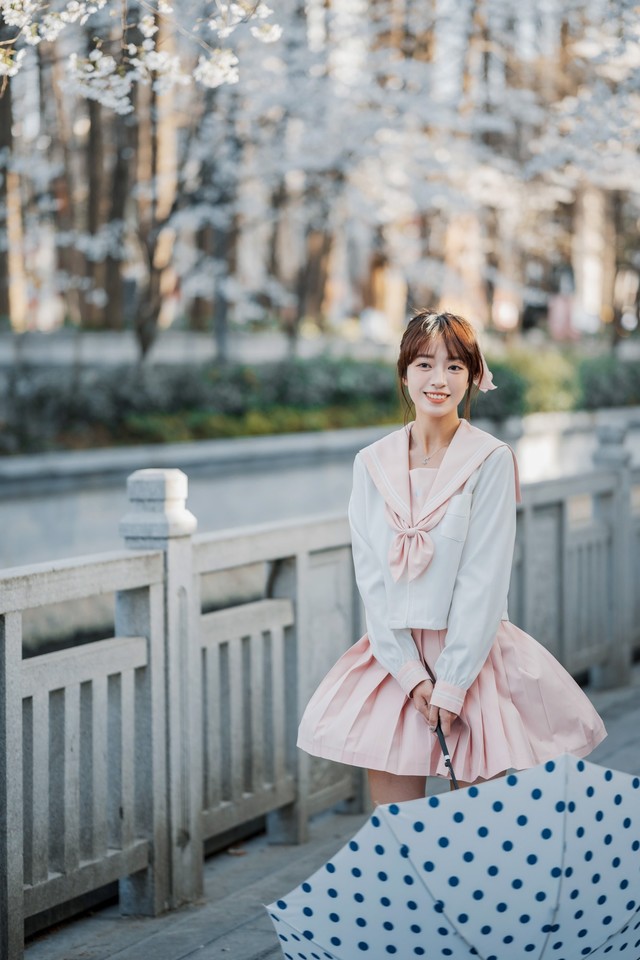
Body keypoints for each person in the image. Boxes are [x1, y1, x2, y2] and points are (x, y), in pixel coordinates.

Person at [297, 310, 606, 805]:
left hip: (475, 658)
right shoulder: (372, 463)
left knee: (481, 842)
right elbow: (372, 579)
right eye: (424, 364)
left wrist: (451, 684)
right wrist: (410, 673)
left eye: (455, 367)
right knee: (400, 840)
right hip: (395, 660)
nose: (438, 379)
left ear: (473, 376)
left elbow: (484, 582)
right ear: (404, 373)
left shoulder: (490, 459)